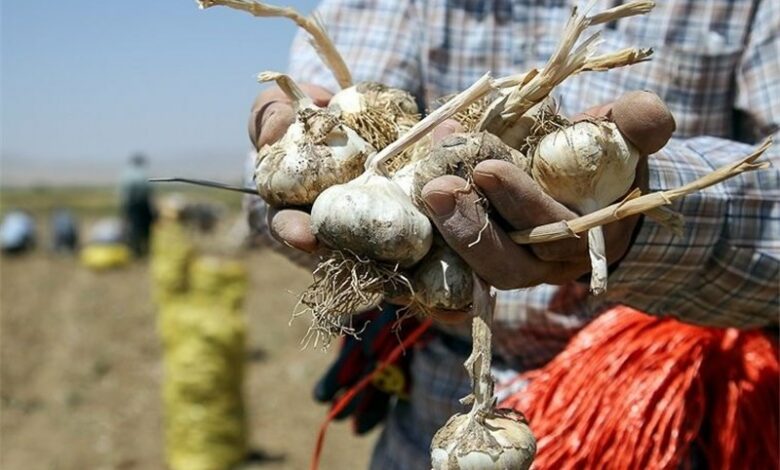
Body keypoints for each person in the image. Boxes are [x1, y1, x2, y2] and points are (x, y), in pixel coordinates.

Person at [245, 1, 779, 468]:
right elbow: (330, 127)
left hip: (664, 413)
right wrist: (296, 141)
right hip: (434, 411)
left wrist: (637, 216)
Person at [119, 153, 156, 257]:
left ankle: (136, 251)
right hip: (143, 205)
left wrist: (124, 210)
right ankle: (144, 251)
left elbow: (124, 194)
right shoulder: (143, 174)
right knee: (145, 230)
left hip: (132, 206)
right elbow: (149, 192)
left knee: (134, 229)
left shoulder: (126, 175)